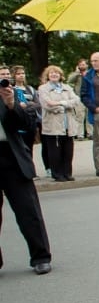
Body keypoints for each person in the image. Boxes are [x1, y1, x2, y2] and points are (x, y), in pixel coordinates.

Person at [0, 65, 52, 275]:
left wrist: (12, 105)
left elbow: (27, 124)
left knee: (28, 211)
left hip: (11, 158)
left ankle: (40, 256)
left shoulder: (11, 95)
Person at [36, 65, 81, 182]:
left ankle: (67, 173)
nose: (54, 75)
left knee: (68, 150)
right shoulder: (43, 88)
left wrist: (60, 103)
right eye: (51, 73)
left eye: (56, 73)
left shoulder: (67, 87)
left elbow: (76, 100)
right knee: (55, 152)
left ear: (61, 75)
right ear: (47, 75)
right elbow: (47, 105)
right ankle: (57, 174)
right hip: (52, 125)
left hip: (68, 124)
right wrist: (65, 106)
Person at [66, 59, 89, 140]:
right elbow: (69, 80)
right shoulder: (76, 74)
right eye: (81, 65)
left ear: (87, 65)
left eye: (84, 64)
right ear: (78, 66)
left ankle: (90, 133)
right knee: (80, 116)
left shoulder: (90, 73)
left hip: (89, 97)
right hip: (79, 97)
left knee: (89, 116)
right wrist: (77, 73)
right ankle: (80, 135)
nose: (82, 66)